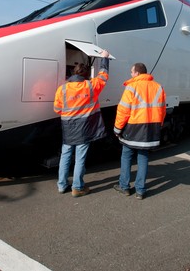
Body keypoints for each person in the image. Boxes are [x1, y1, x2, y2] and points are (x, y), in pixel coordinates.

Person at [53, 49, 110, 197]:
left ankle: (62, 185)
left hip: (68, 128)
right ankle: (77, 187)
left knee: (65, 155)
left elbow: (57, 109)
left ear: (73, 73)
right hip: (84, 128)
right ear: (86, 76)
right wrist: (105, 58)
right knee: (80, 158)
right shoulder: (91, 86)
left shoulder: (62, 89)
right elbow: (103, 76)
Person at [113, 63, 166, 200]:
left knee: (126, 155)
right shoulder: (158, 87)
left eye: (132, 72)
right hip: (150, 127)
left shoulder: (132, 87)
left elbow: (123, 110)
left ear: (137, 73)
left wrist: (117, 128)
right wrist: (158, 125)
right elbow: (162, 110)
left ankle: (124, 186)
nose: (131, 74)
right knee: (143, 157)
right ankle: (140, 190)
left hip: (133, 127)